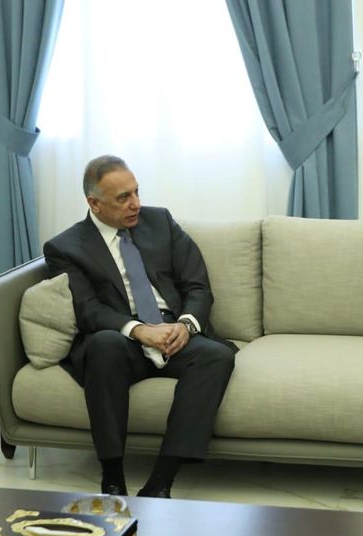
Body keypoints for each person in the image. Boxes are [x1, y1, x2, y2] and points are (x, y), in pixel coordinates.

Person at [44, 155, 236, 498]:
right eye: (123, 198)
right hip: (121, 341)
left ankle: (161, 482)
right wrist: (137, 329)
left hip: (173, 331)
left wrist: (186, 325)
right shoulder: (66, 247)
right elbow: (87, 310)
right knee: (102, 345)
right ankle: (113, 477)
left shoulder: (160, 222)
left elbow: (197, 286)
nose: (136, 204)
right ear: (94, 203)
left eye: (136, 192)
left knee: (217, 357)